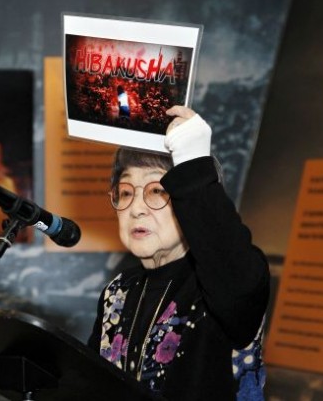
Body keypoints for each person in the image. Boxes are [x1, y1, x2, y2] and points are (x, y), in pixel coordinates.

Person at [88, 105, 270, 400]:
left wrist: (192, 162)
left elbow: (235, 275)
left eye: (156, 191)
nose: (136, 209)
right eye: (125, 192)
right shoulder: (117, 292)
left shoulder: (220, 283)